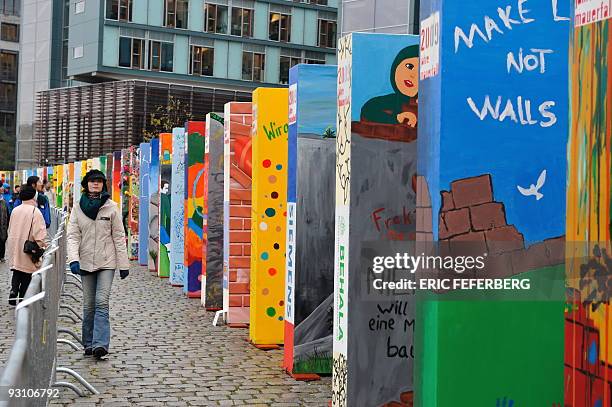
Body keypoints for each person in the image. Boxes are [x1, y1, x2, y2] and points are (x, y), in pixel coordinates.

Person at [67, 169, 130, 359]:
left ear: (104, 184)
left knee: (102, 301)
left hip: (106, 261)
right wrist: (73, 260)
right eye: (92, 181)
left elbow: (119, 237)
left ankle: (100, 344)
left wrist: (123, 264)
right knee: (89, 305)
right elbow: (72, 236)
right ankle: (88, 343)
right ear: (86, 184)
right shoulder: (77, 208)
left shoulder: (111, 208)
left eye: (99, 181)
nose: (96, 184)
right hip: (85, 261)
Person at [6, 185, 47, 305]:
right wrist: (42, 246)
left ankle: (14, 290)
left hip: (15, 245)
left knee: (17, 269)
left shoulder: (15, 209)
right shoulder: (35, 211)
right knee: (26, 274)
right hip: (28, 247)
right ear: (34, 196)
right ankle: (24, 301)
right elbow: (39, 234)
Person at [360, 44, 419, 127]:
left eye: (419, 72)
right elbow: (369, 110)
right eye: (409, 66)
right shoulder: (390, 101)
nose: (413, 75)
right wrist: (397, 118)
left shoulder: (428, 106)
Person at [0, 186, 9, 262]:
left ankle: (2, 256)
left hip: (3, 227)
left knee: (3, 240)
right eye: (0, 186)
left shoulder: (3, 201)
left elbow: (7, 215)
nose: (2, 188)